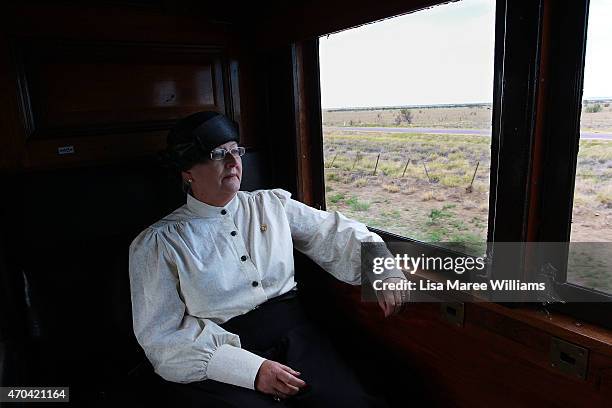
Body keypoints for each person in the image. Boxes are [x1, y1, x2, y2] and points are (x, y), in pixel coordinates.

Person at [128, 111, 408, 407]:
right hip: (220, 352)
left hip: (296, 335)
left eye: (236, 151)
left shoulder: (270, 205)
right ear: (188, 171)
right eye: (218, 154)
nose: (233, 161)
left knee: (352, 402)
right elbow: (162, 335)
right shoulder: (159, 243)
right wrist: (250, 370)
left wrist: (382, 266)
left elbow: (331, 231)